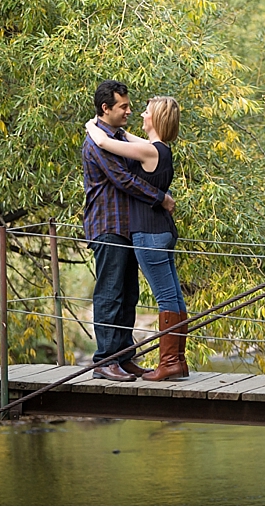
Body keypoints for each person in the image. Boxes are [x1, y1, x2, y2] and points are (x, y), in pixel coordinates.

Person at [85, 95, 188, 381]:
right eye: (125, 107)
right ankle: (107, 360)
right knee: (113, 292)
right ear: (106, 108)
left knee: (132, 293)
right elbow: (121, 177)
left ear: (156, 119)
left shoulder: (147, 149)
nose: (134, 113)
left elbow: (122, 163)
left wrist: (94, 127)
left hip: (140, 230)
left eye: (143, 111)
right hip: (111, 225)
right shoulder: (150, 147)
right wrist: (162, 198)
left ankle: (137, 358)